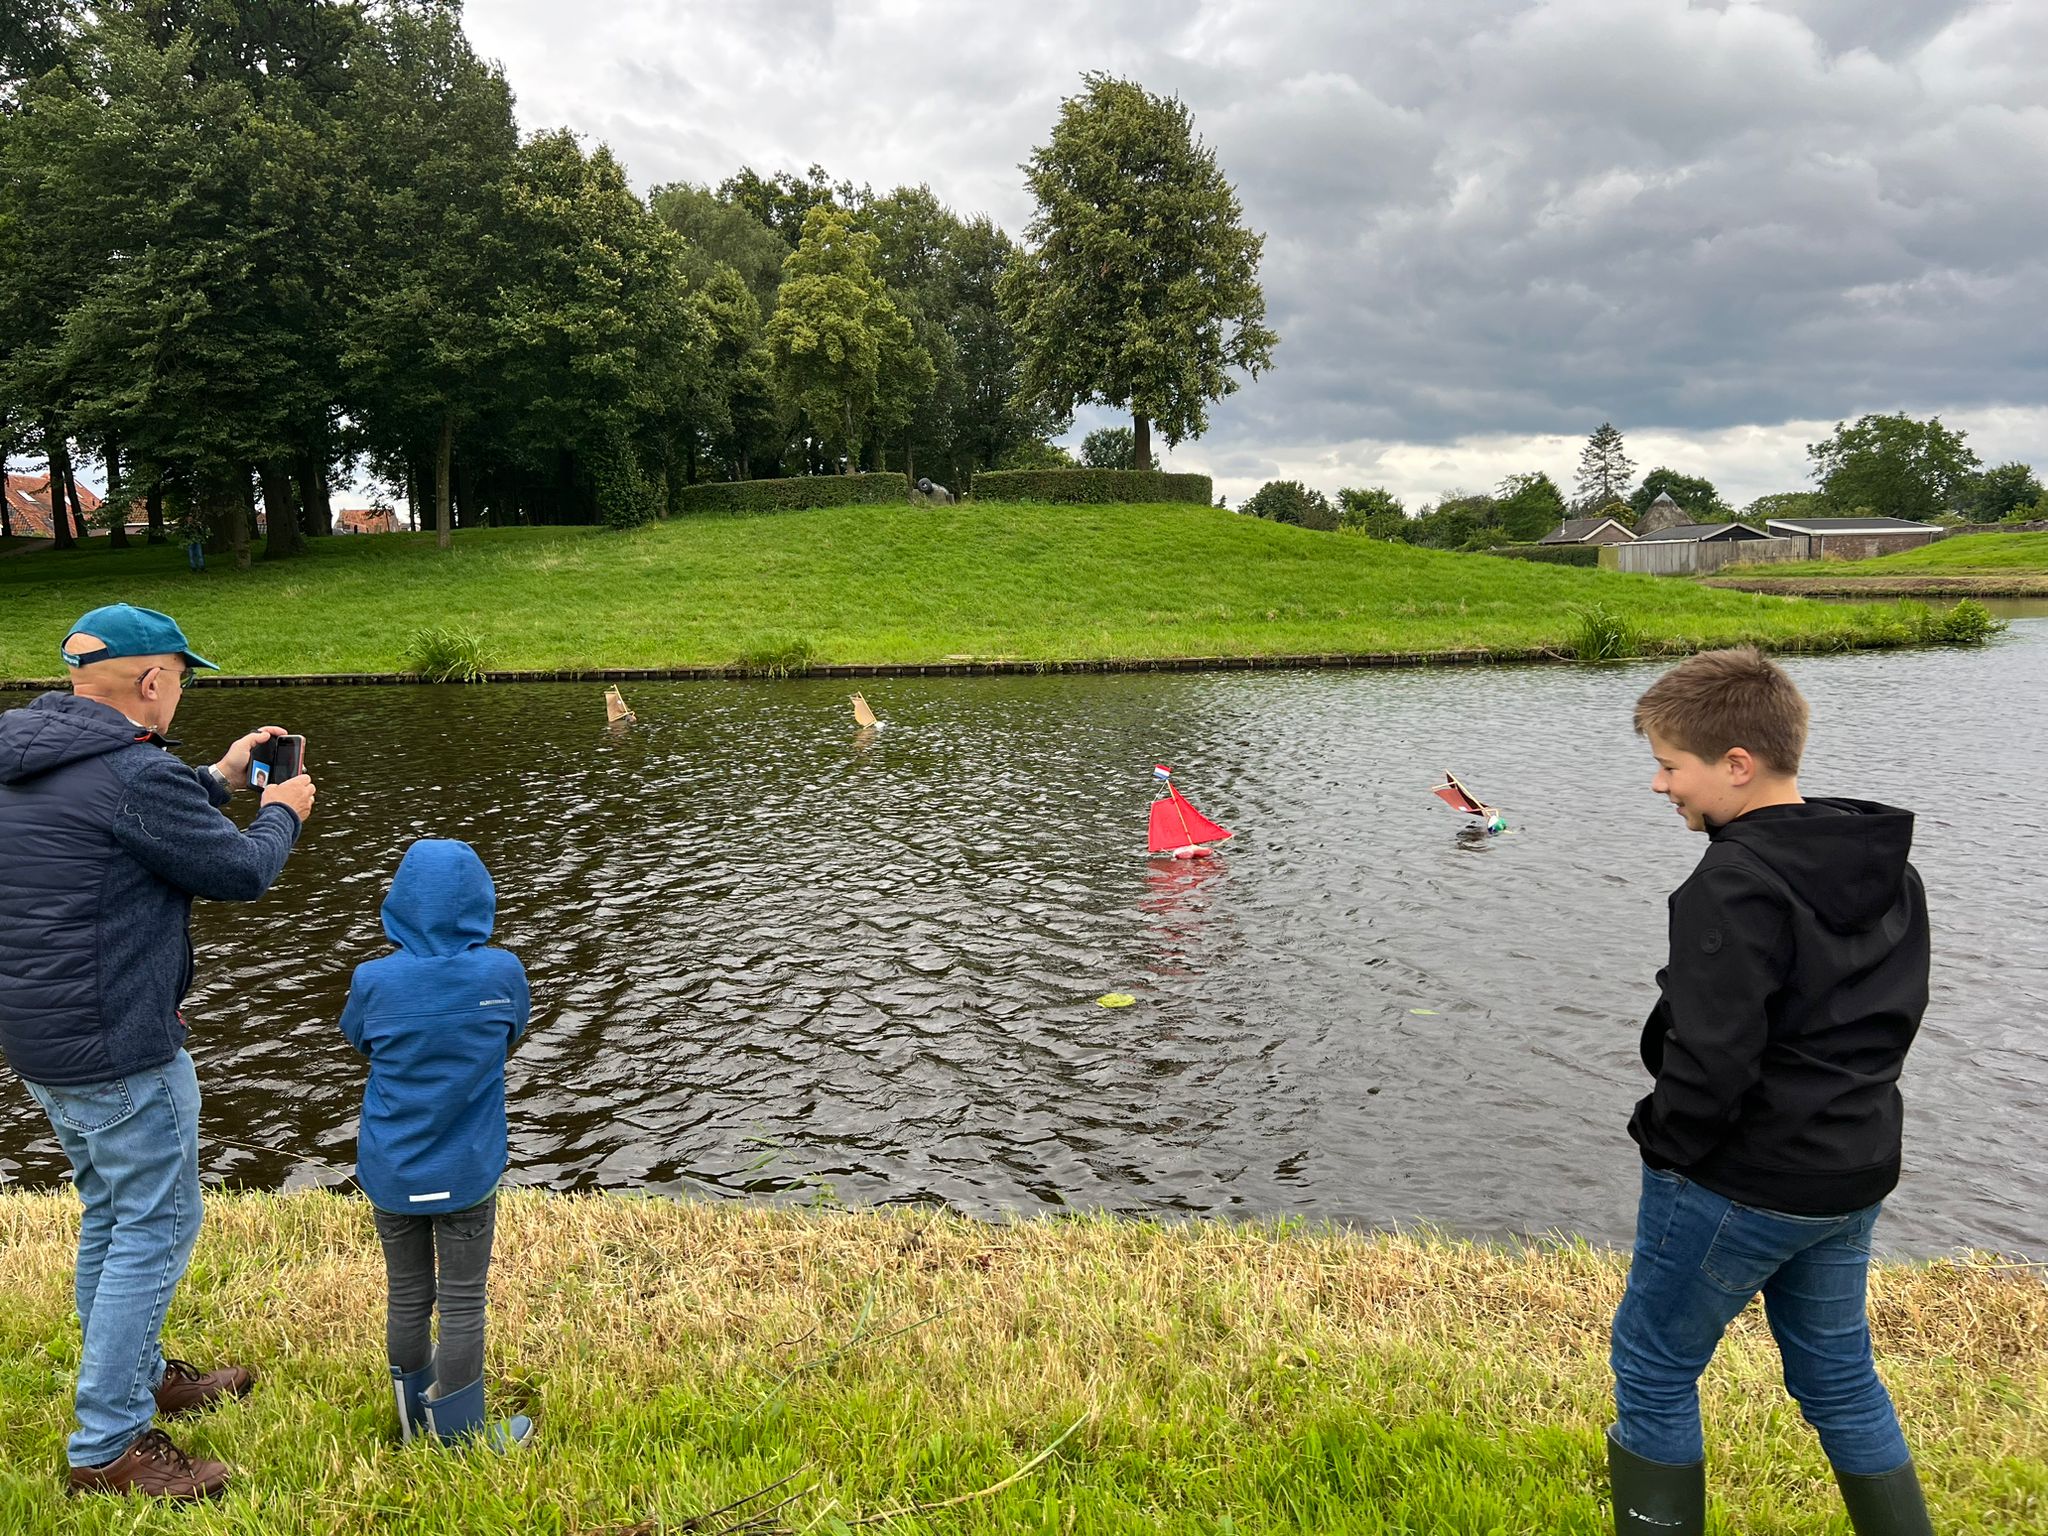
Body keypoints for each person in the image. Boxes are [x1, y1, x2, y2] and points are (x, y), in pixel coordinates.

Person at [1608, 648, 1934, 1536]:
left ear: (1737, 765)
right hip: (1851, 1168)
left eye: (1672, 765)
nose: (1659, 784)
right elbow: (1893, 1018)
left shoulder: (1734, 881)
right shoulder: (1886, 869)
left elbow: (1713, 1059)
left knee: (1653, 1364)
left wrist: (1662, 1140)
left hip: (1742, 1180)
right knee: (1838, 1372)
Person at [0, 603, 316, 1500]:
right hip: (122, 1043)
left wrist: (215, 776)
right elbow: (239, 872)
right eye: (182, 677)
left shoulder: (30, 756)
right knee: (157, 1226)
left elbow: (128, 816)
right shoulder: (134, 777)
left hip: (40, 1036)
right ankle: (108, 1446)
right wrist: (280, 810)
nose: (180, 692)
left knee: (111, 1211)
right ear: (151, 682)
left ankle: (140, 1377)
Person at [340, 839, 533, 1450]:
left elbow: (360, 1040)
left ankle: (408, 1419)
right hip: (469, 1165)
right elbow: (511, 1035)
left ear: (398, 906)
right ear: (481, 904)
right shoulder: (503, 972)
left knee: (407, 1294)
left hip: (393, 1166)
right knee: (462, 1302)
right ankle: (458, 1434)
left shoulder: (373, 979)